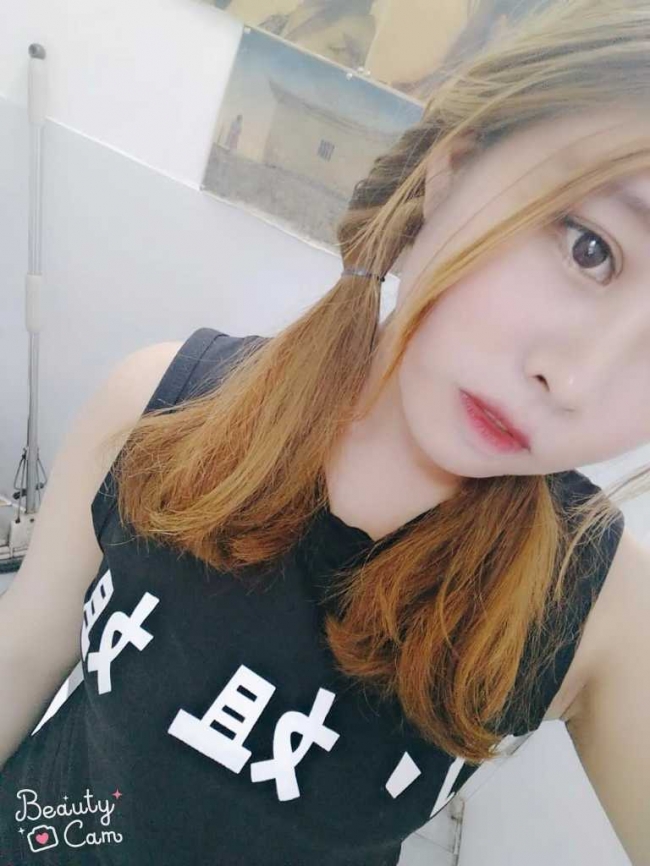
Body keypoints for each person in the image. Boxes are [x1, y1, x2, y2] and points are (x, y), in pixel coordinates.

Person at [1, 0, 649, 864]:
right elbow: (21, 658)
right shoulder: (161, 404)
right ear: (454, 169)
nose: (576, 381)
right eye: (589, 248)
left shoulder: (597, 609)